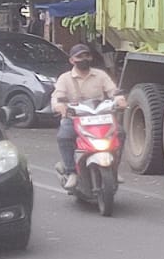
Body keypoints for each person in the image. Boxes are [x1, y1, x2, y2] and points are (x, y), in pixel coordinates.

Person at [52, 44, 125, 189]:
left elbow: (113, 91)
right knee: (64, 136)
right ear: (72, 60)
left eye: (86, 55)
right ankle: (71, 171)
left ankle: (114, 168)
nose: (83, 59)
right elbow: (57, 96)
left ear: (91, 57)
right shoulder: (65, 78)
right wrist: (60, 106)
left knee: (120, 133)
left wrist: (120, 100)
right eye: (79, 57)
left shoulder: (101, 75)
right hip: (74, 119)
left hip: (100, 118)